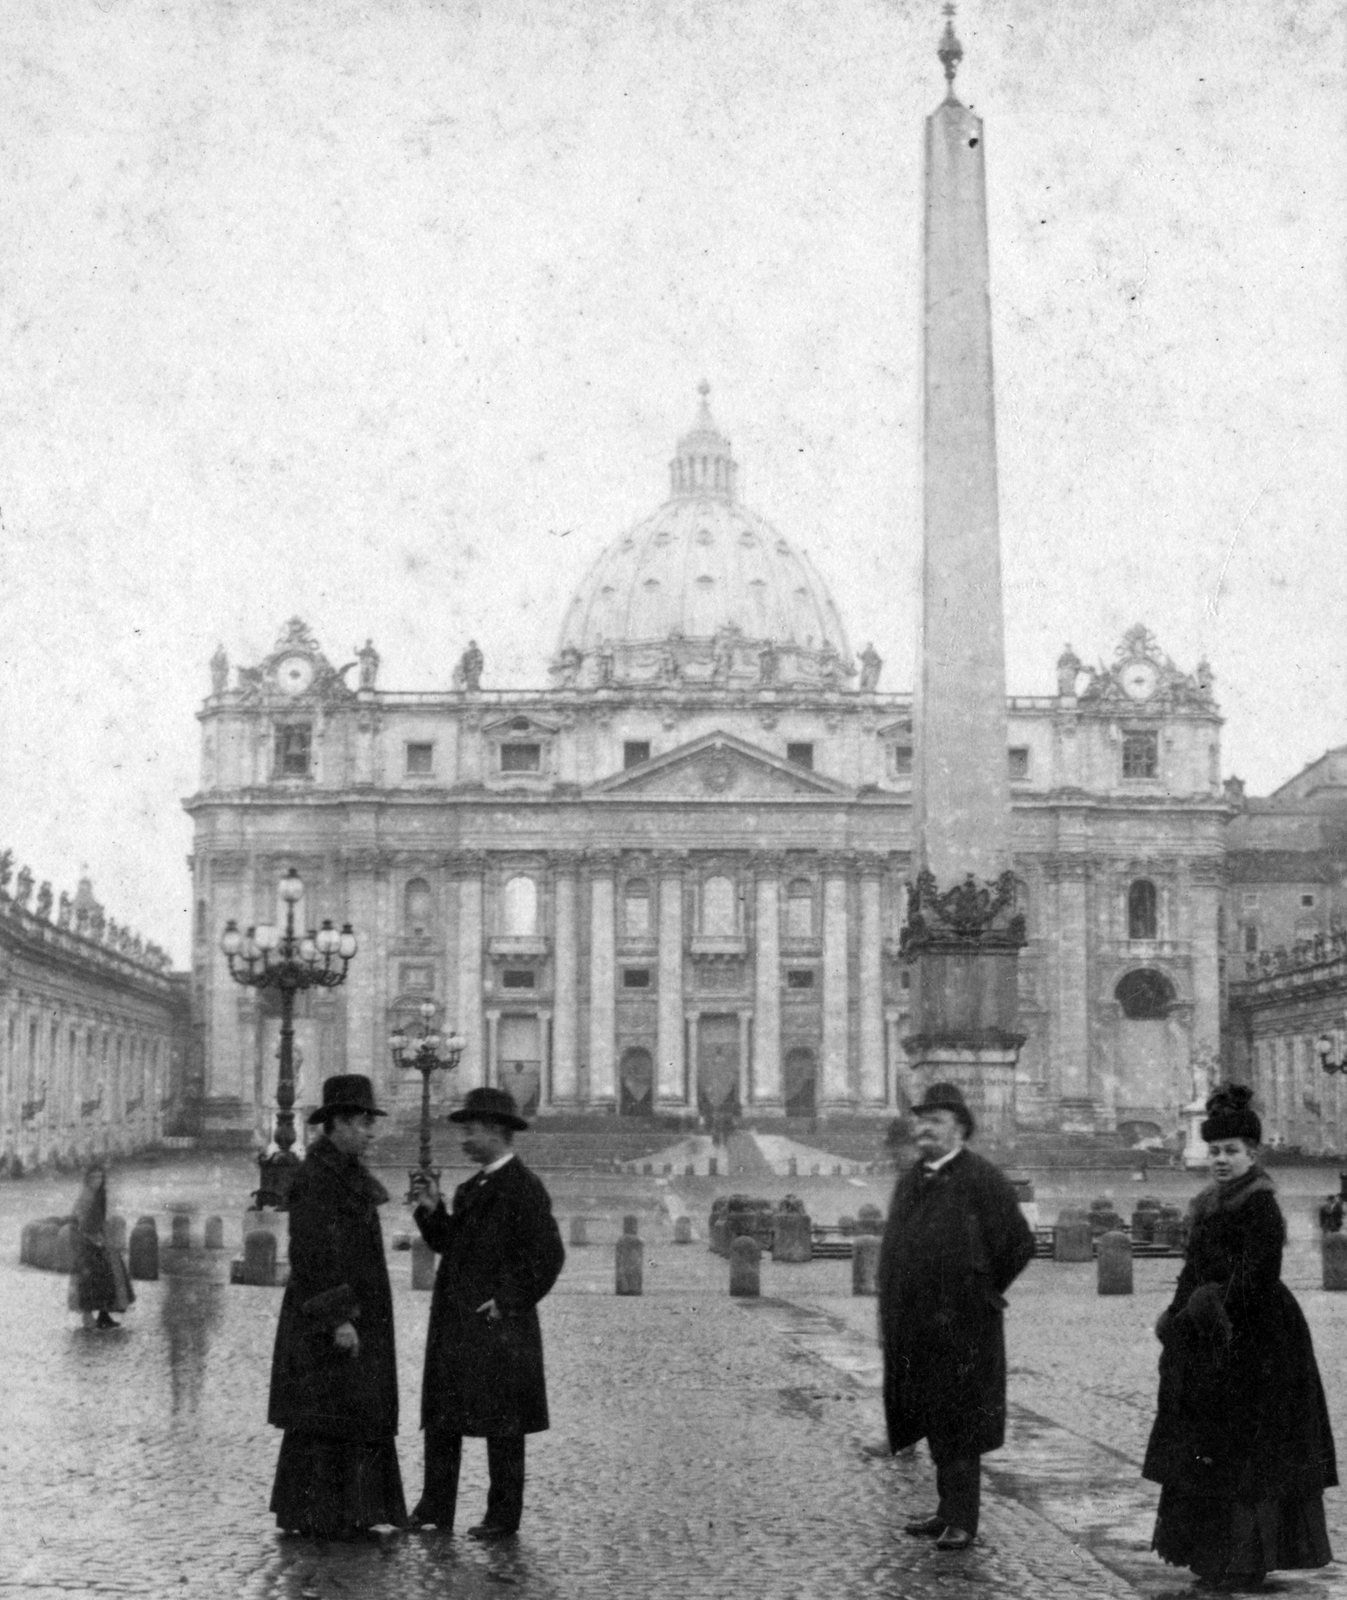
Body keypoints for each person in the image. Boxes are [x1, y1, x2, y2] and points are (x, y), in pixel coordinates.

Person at [1143, 1084, 1337, 1592]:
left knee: (1248, 1453)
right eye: (1215, 1151)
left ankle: (1246, 1560)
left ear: (1253, 1155)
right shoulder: (1207, 1204)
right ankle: (1210, 1555)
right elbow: (1192, 1268)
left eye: (1232, 1151)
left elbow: (1257, 1273)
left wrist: (1215, 1300)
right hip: (1207, 1335)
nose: (1222, 1160)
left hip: (1257, 1338)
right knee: (1208, 1448)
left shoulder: (1260, 1205)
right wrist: (1177, 1313)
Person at [875, 1082, 1035, 1552]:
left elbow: (1019, 1243)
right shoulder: (912, 1178)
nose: (924, 1128)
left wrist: (980, 1291)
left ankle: (963, 1519)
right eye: (921, 1120)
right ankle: (946, 1510)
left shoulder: (982, 1178)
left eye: (936, 1121)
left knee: (961, 1423)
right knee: (930, 1415)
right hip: (916, 1326)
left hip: (964, 1328)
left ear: (960, 1130)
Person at [408, 1086, 565, 1540]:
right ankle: (435, 1506)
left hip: (499, 1326)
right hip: (458, 1322)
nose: (463, 1140)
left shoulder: (523, 1187)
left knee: (504, 1427)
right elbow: (451, 1244)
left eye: (471, 1131)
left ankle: (502, 1516)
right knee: (443, 1419)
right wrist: (432, 1210)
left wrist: (510, 1300)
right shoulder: (472, 1186)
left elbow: (548, 1256)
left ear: (497, 1132)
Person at [267, 1075, 406, 1540]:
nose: (370, 1132)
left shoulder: (343, 1171)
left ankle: (352, 1510)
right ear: (338, 1124)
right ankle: (321, 1513)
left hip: (356, 1312)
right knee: (327, 1414)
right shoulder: (316, 1177)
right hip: (329, 1319)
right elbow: (311, 1252)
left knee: (350, 1410)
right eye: (364, 1123)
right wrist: (339, 1316)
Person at [68, 1163, 134, 1330]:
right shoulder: (86, 1195)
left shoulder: (101, 1194)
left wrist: (104, 1234)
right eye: (94, 1177)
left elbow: (101, 1216)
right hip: (88, 1243)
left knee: (110, 1277)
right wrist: (91, 1237)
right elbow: (79, 1218)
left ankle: (104, 1315)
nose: (97, 1181)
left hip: (102, 1239)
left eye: (100, 1177)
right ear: (88, 1179)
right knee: (90, 1280)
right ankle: (87, 1314)